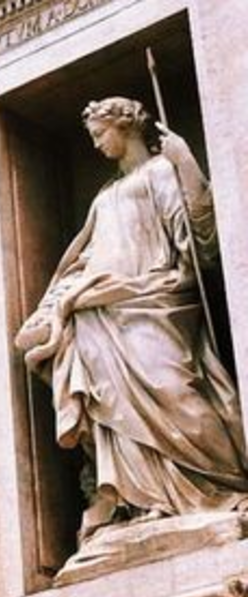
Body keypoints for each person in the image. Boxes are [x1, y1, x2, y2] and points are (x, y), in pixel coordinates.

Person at [16, 96, 248, 544]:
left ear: (126, 128)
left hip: (155, 297)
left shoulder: (161, 172)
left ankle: (220, 484)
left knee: (174, 387)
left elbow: (199, 238)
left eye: (101, 134)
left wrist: (187, 167)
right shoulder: (105, 195)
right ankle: (143, 500)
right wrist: (54, 307)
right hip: (102, 310)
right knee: (111, 404)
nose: (97, 143)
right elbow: (82, 260)